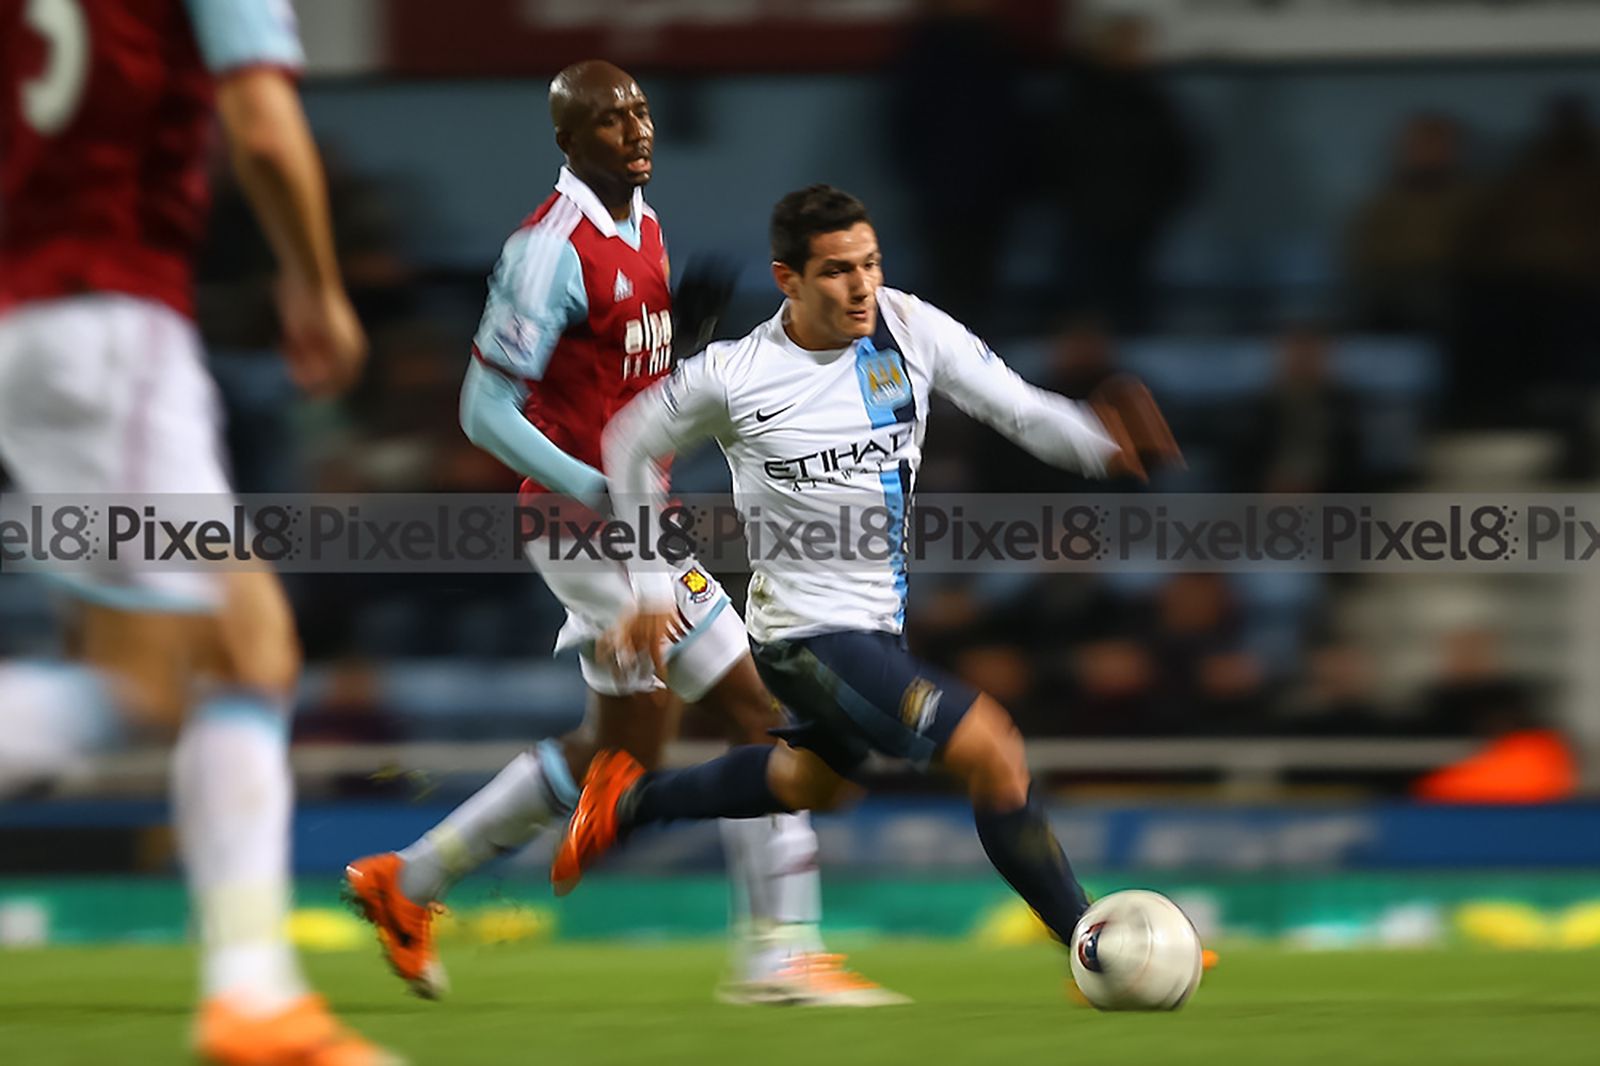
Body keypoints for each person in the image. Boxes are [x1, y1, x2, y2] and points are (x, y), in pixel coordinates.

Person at [344, 63, 900, 1008]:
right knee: (767, 712)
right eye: (608, 118)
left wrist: (681, 345)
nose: (635, 127)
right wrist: (597, 485)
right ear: (568, 140)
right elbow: (484, 409)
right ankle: (779, 953)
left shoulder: (640, 225)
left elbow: (611, 383)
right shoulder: (547, 248)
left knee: (621, 747)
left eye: (640, 109)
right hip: (590, 527)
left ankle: (410, 881)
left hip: (628, 523)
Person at [550, 186, 1184, 979]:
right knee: (993, 749)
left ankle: (627, 802)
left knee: (807, 781)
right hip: (803, 638)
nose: (861, 286)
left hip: (876, 625)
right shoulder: (733, 375)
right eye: (837, 271)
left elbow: (1018, 409)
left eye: (870, 263)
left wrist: (1102, 445)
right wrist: (648, 589)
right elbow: (627, 441)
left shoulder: (908, 328)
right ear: (789, 278)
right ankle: (1095, 941)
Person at [0, 2, 387, 1063]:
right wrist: (315, 281)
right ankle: (253, 1001)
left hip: (31, 324)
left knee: (202, 655)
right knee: (202, 663)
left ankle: (252, 995)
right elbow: (261, 124)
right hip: (112, 325)